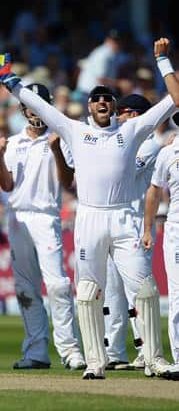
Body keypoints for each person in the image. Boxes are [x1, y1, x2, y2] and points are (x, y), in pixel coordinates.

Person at [0, 37, 179, 380]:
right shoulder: (74, 130)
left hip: (123, 217)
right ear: (89, 108)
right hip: (89, 217)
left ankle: (155, 358)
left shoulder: (132, 128)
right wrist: (7, 78)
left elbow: (174, 101)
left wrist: (163, 63)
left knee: (145, 288)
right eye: (96, 99)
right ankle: (94, 361)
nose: (102, 102)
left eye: (107, 98)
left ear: (114, 106)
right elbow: (40, 107)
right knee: (88, 293)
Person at [0, 83, 86, 371]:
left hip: (46, 217)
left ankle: (70, 350)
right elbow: (7, 185)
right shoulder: (13, 142)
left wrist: (56, 150)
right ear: (23, 110)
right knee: (25, 287)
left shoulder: (60, 139)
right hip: (18, 217)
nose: (35, 113)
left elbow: (66, 182)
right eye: (30, 107)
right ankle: (36, 351)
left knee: (58, 284)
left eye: (40, 106)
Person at [104, 94, 165, 371]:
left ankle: (146, 349)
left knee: (136, 291)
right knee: (112, 292)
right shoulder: (125, 143)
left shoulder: (150, 144)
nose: (119, 118)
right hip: (117, 220)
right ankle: (114, 351)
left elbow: (120, 173)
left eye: (124, 113)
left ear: (137, 114)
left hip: (137, 223)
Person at [143, 118, 179, 368]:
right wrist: (147, 229)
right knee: (178, 295)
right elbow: (154, 190)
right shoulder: (169, 152)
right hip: (177, 229)